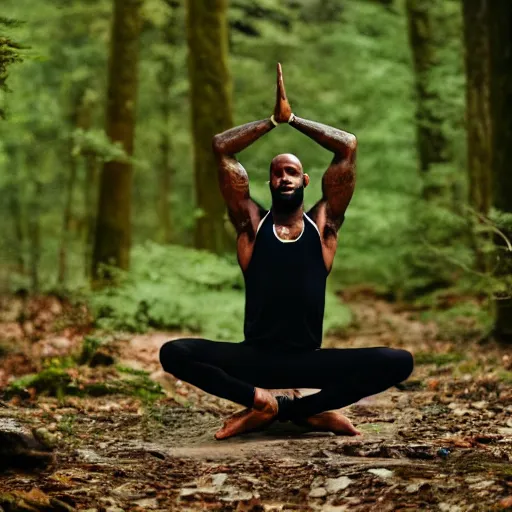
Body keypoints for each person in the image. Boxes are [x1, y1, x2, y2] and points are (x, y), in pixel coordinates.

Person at [159, 64, 413, 440]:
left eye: (292, 172)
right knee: (173, 352)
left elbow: (348, 146)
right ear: (269, 182)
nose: (284, 178)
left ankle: (300, 410)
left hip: (308, 362)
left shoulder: (324, 226)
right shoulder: (251, 225)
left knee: (399, 362)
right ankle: (259, 401)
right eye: (277, 173)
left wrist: (292, 119)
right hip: (254, 361)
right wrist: (270, 121)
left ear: (305, 180)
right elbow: (221, 147)